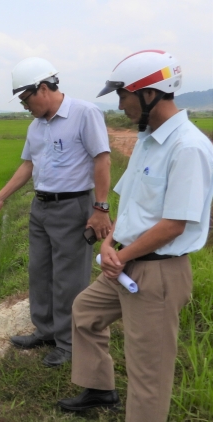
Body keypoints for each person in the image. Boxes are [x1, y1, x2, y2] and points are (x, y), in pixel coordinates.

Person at [58, 50, 213, 421]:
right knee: (85, 312)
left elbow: (175, 224)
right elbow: (128, 204)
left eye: (122, 94)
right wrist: (110, 243)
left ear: (149, 94)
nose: (120, 104)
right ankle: (100, 388)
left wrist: (120, 257)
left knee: (148, 371)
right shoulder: (148, 138)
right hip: (124, 263)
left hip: (157, 273)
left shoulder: (188, 147)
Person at [0, 57, 112, 368]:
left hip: (73, 205)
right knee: (39, 272)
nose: (25, 106)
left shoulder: (83, 113)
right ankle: (47, 331)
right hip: (41, 206)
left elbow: (102, 160)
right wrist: (0, 198)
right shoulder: (35, 127)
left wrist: (100, 208)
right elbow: (28, 165)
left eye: (26, 99)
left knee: (69, 279)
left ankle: (69, 343)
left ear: (43, 88)